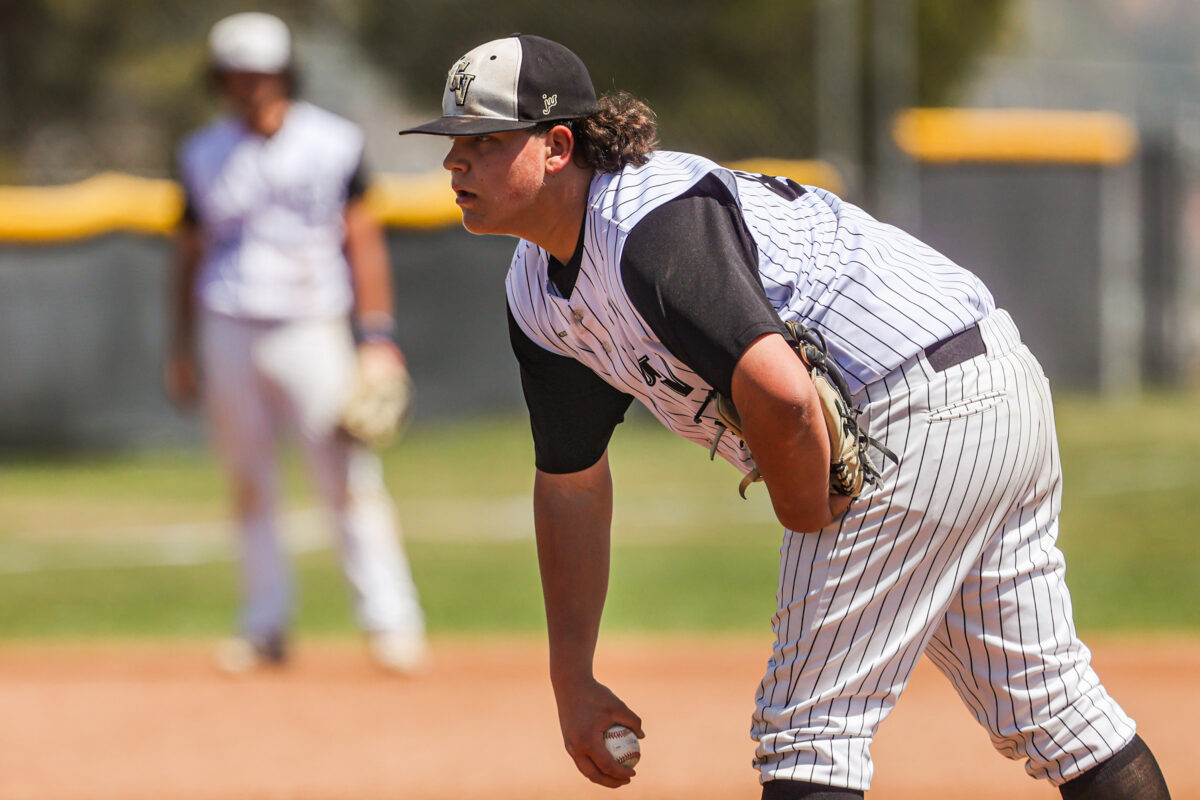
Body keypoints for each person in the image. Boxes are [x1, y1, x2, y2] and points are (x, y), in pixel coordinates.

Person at [399, 33, 1174, 798]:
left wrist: (807, 509)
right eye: (452, 142)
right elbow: (570, 482)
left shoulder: (648, 226)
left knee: (810, 728)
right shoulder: (537, 291)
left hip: (912, 405)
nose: (454, 161)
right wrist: (573, 678)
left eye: (484, 140)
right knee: (1052, 707)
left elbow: (780, 393)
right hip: (981, 390)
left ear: (558, 145)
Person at [166, 12, 427, 675]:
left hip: (313, 325)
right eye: (234, 75)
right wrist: (181, 346)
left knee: (347, 479)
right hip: (228, 325)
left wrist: (376, 337)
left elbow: (361, 238)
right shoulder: (201, 153)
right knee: (248, 485)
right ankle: (264, 626)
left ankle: (391, 623)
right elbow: (188, 255)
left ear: (283, 73)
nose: (247, 86)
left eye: (258, 73)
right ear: (220, 80)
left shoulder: (333, 142)